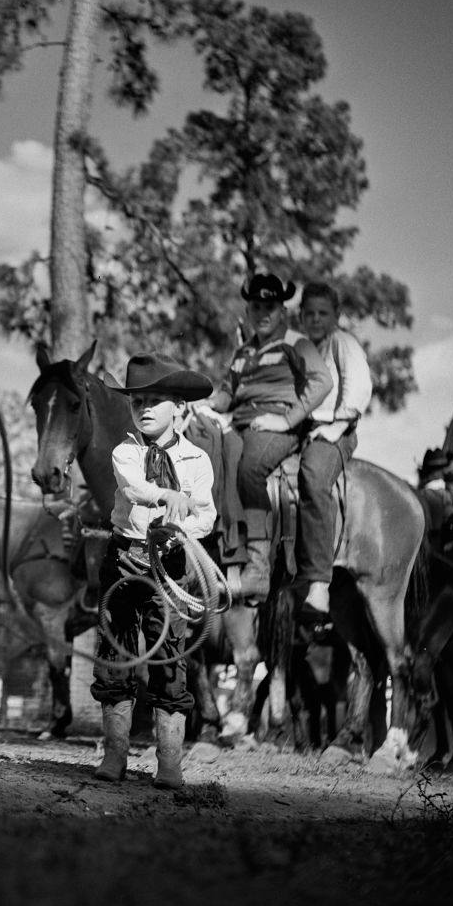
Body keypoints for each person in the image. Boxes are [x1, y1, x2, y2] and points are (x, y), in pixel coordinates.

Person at [91, 353, 217, 790]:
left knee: (170, 658)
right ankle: (114, 755)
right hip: (125, 559)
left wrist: (179, 529)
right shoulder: (124, 451)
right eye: (137, 401)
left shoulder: (198, 460)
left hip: (172, 567)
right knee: (114, 655)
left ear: (179, 407)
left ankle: (169, 761)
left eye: (156, 399)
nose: (144, 408)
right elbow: (134, 488)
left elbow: (206, 516)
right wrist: (166, 497)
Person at [207, 273, 333, 603]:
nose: (263, 313)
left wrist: (286, 419)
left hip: (278, 425)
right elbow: (226, 394)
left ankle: (258, 570)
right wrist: (204, 404)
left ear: (282, 312)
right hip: (241, 423)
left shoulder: (296, 343)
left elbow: (322, 382)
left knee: (249, 468)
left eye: (271, 307)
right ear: (248, 311)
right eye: (257, 306)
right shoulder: (242, 353)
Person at [295, 281, 373, 633]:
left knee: (313, 474)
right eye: (308, 313)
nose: (315, 319)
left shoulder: (342, 343)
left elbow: (358, 387)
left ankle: (318, 582)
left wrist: (335, 427)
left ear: (336, 316)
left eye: (322, 313)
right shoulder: (300, 348)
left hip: (334, 430)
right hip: (300, 429)